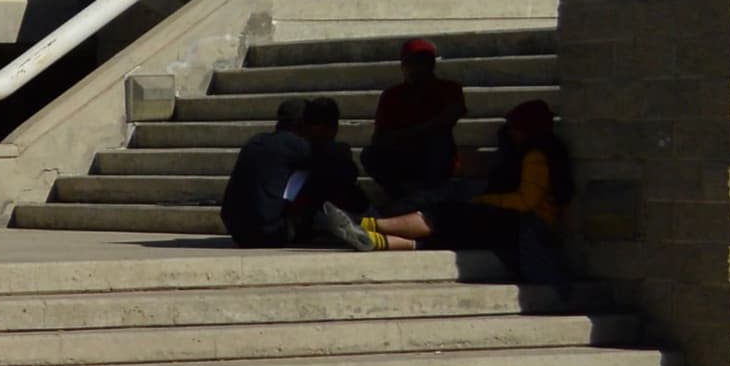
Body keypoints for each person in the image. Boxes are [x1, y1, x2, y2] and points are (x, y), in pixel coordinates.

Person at [369, 101, 570, 285]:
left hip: (521, 226)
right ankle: (372, 237)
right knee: (449, 229)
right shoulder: (538, 154)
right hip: (512, 224)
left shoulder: (536, 157)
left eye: (515, 128)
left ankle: (369, 225)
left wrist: (486, 200)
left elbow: (527, 201)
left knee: (444, 215)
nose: (510, 133)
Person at [218, 99, 373, 250]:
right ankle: (364, 220)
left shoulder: (254, 141)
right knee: (322, 173)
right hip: (269, 233)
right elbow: (345, 171)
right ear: (303, 124)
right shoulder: (297, 145)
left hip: (237, 231)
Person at [363, 40, 470, 207]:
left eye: (422, 62)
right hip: (403, 154)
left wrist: (410, 133)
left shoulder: (449, 88)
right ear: (403, 65)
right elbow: (380, 135)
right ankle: (400, 196)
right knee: (370, 154)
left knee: (438, 140)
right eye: (411, 63)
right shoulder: (392, 95)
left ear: (432, 64)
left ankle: (432, 195)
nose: (417, 68)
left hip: (434, 155)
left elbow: (449, 117)